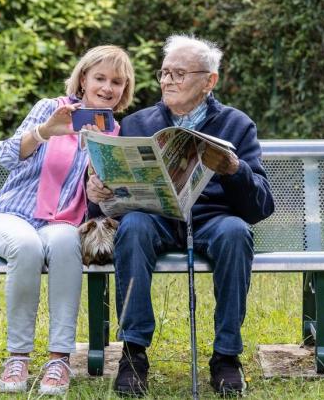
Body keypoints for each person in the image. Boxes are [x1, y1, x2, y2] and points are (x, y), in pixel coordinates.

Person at [87, 35, 275, 396]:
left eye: (179, 73)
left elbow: (260, 207)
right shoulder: (138, 124)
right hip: (154, 216)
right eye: (164, 72)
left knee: (235, 232)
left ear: (209, 81)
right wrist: (100, 194)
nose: (168, 81)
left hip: (212, 220)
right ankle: (133, 353)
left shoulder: (237, 125)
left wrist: (235, 169)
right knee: (135, 227)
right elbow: (107, 205)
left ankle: (226, 356)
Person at [0, 45, 135, 396]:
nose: (108, 88)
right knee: (26, 245)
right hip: (11, 214)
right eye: (100, 78)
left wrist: (99, 193)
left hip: (62, 223)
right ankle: (18, 355)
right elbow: (5, 156)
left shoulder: (115, 132)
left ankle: (59, 359)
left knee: (66, 243)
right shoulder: (51, 109)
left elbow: (100, 206)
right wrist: (46, 131)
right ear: (83, 79)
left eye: (117, 82)